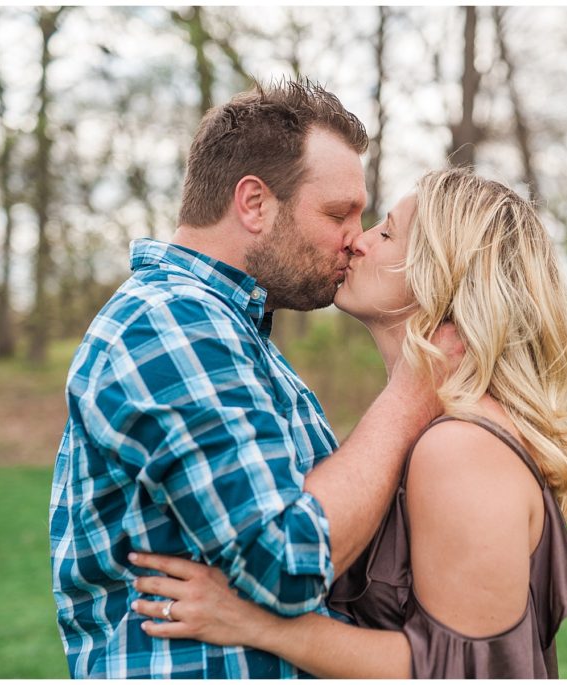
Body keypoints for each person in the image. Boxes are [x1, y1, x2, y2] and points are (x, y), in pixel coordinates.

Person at [128, 168, 567, 678]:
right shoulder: (423, 428)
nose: (358, 242)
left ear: (444, 273)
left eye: (386, 232)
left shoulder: (462, 448)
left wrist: (257, 622)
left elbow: (466, 673)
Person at [48, 80, 460, 678]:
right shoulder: (171, 325)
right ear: (254, 203)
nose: (355, 236)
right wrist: (411, 395)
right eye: (338, 212)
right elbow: (288, 562)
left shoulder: (234, 336)